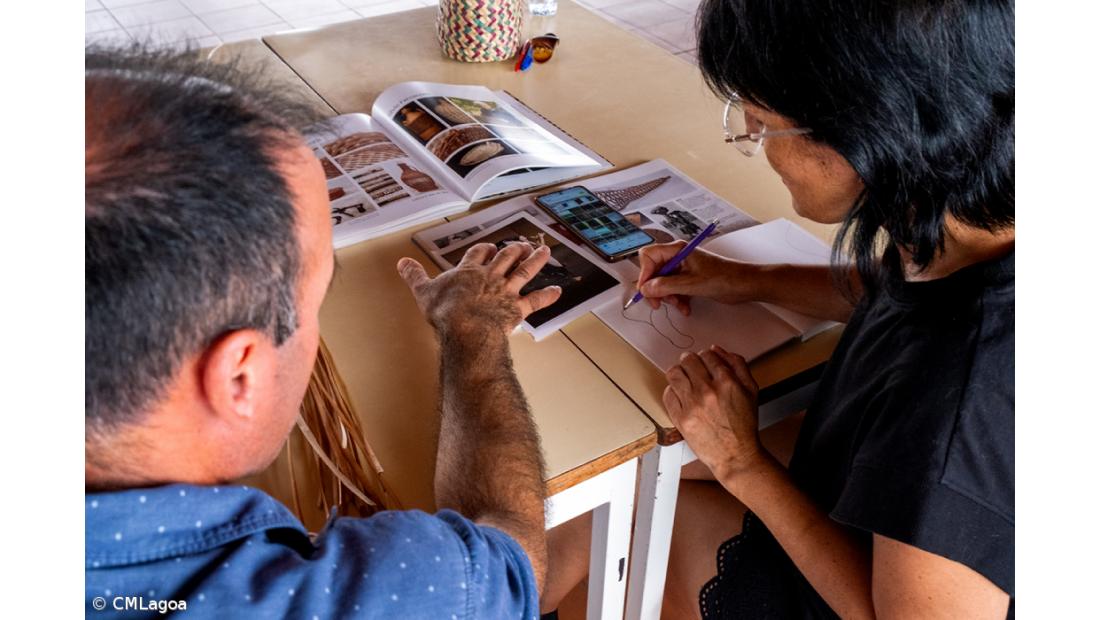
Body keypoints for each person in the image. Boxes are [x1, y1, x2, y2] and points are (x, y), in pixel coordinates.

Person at [542, 0, 1014, 617]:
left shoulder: (965, 399)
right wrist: (745, 280)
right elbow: (901, 292)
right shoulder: (966, 220)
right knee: (634, 476)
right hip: (858, 484)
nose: (754, 140)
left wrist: (742, 463)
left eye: (763, 122)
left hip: (848, 591)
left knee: (618, 515)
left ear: (871, 129)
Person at [85, 45, 562, 618]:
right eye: (319, 298)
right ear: (238, 378)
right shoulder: (359, 595)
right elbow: (510, 562)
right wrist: (473, 327)